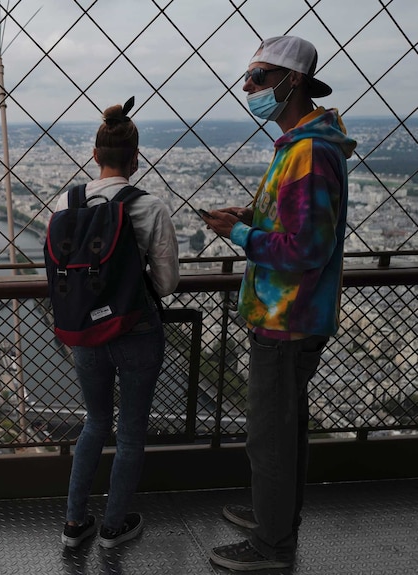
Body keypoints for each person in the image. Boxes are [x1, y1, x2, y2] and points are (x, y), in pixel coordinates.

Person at [202, 36, 357, 570]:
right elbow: (298, 228)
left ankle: (272, 545)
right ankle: (276, 518)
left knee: (269, 438)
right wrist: (252, 216)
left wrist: (241, 235)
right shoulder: (303, 145)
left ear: (293, 83)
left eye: (260, 78)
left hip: (285, 317)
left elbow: (305, 249)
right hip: (293, 314)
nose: (247, 88)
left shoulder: (309, 154)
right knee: (283, 433)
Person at [58, 100, 179, 549]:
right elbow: (166, 284)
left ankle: (74, 523)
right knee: (130, 432)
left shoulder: (66, 203)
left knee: (94, 422)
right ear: (136, 158)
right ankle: (113, 526)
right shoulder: (149, 207)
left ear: (94, 155)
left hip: (85, 332)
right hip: (136, 331)